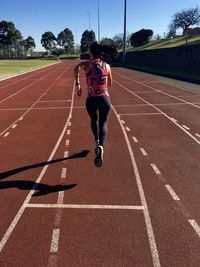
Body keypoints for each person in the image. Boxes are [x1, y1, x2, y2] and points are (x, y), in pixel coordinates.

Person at [74, 42, 118, 167]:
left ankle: (97, 141)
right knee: (103, 123)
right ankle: (101, 146)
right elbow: (110, 84)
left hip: (91, 99)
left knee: (94, 120)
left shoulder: (87, 65)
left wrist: (78, 85)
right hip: (104, 99)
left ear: (91, 53)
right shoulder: (107, 66)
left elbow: (76, 67)